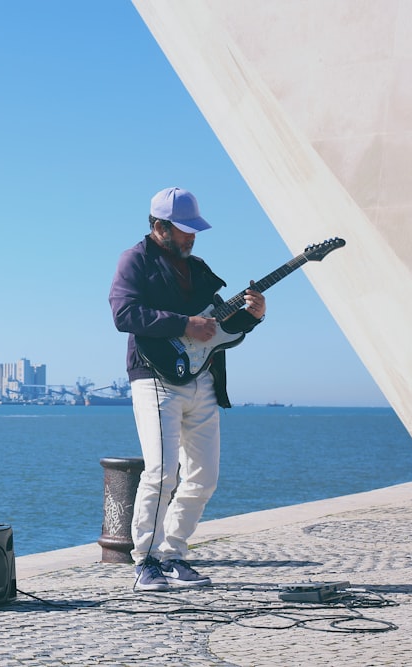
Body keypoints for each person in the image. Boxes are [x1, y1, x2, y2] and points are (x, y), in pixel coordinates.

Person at [107, 187, 266, 591]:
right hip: (154, 378)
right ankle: (145, 561)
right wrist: (182, 324)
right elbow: (124, 313)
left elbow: (217, 332)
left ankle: (173, 553)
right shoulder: (135, 260)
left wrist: (252, 317)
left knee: (204, 476)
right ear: (159, 227)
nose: (191, 237)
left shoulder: (197, 268)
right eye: (184, 230)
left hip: (203, 379)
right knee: (161, 472)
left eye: (194, 230)